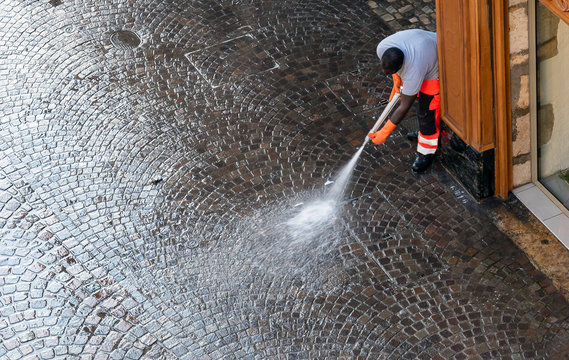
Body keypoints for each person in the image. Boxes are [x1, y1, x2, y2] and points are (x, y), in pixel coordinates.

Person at [367, 29, 440, 173]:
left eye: (390, 72)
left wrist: (385, 132)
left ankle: (427, 152)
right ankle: (423, 134)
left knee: (426, 111)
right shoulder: (383, 47)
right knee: (416, 95)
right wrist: (397, 79)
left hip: (435, 62)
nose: (384, 73)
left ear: (400, 66)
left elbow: (404, 106)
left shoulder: (415, 69)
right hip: (422, 47)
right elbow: (395, 70)